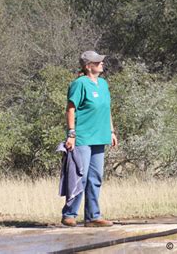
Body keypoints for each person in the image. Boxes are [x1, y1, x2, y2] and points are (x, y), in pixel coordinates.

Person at [61, 50, 118, 227]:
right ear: (88, 66)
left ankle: (93, 217)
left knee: (95, 177)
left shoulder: (103, 84)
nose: (102, 64)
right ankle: (69, 214)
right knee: (80, 176)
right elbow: (71, 109)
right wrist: (71, 134)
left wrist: (111, 131)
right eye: (97, 62)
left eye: (101, 61)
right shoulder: (79, 84)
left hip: (100, 137)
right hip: (83, 137)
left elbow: (106, 108)